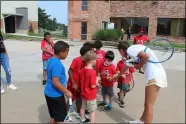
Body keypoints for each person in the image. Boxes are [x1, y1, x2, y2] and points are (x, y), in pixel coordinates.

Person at [117, 41, 167, 123]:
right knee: (147, 104)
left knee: (149, 105)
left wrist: (139, 66)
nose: (121, 54)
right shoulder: (134, 52)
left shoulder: (130, 49)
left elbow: (146, 56)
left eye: (120, 52)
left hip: (155, 75)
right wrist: (116, 77)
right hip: (155, 75)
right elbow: (126, 66)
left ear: (121, 50)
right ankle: (141, 120)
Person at [44, 41, 72, 123]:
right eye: (67, 53)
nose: (67, 55)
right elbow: (55, 82)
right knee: (60, 119)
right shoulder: (57, 65)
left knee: (53, 116)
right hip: (56, 96)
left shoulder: (51, 60)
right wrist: (67, 92)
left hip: (48, 93)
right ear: (61, 53)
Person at [67, 46, 91, 114]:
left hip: (80, 85)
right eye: (90, 53)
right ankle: (66, 114)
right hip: (73, 83)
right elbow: (69, 71)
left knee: (80, 99)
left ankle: (79, 111)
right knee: (71, 99)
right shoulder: (76, 60)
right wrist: (73, 83)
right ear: (86, 53)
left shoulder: (86, 62)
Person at [79, 51, 97, 123]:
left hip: (83, 93)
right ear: (92, 61)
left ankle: (82, 119)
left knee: (83, 107)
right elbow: (93, 85)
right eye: (95, 59)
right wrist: (97, 79)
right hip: (90, 95)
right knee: (92, 111)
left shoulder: (82, 70)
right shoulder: (92, 72)